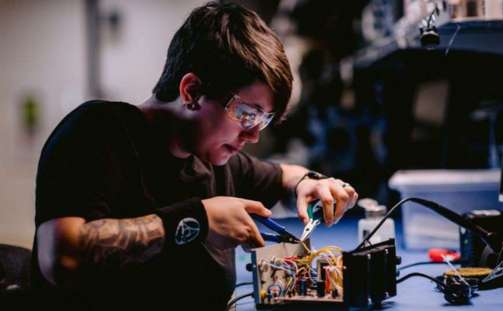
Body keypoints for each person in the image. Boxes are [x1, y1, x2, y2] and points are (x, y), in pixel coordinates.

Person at [31, 2, 358, 310]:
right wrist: (196, 221)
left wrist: (310, 183)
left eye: (264, 120)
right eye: (246, 114)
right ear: (191, 91)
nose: (254, 134)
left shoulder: (213, 160)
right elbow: (61, 257)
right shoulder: (97, 132)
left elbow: (285, 177)